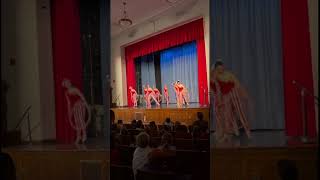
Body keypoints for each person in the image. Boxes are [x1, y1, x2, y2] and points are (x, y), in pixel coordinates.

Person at [210, 61, 251, 141]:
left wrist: (242, 94)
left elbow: (236, 84)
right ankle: (226, 133)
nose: (220, 70)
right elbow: (214, 89)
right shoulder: (214, 76)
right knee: (221, 116)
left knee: (233, 114)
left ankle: (239, 132)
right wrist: (217, 99)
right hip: (219, 98)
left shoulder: (228, 75)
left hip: (230, 96)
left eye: (221, 68)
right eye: (218, 68)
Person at [62, 79, 91, 144]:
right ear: (65, 85)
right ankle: (78, 136)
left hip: (80, 104)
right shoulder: (66, 92)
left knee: (81, 119)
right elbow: (68, 103)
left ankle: (84, 134)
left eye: (68, 83)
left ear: (69, 83)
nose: (67, 84)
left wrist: (86, 105)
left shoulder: (75, 89)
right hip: (74, 107)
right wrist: (69, 111)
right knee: (76, 121)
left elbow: (81, 96)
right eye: (65, 84)